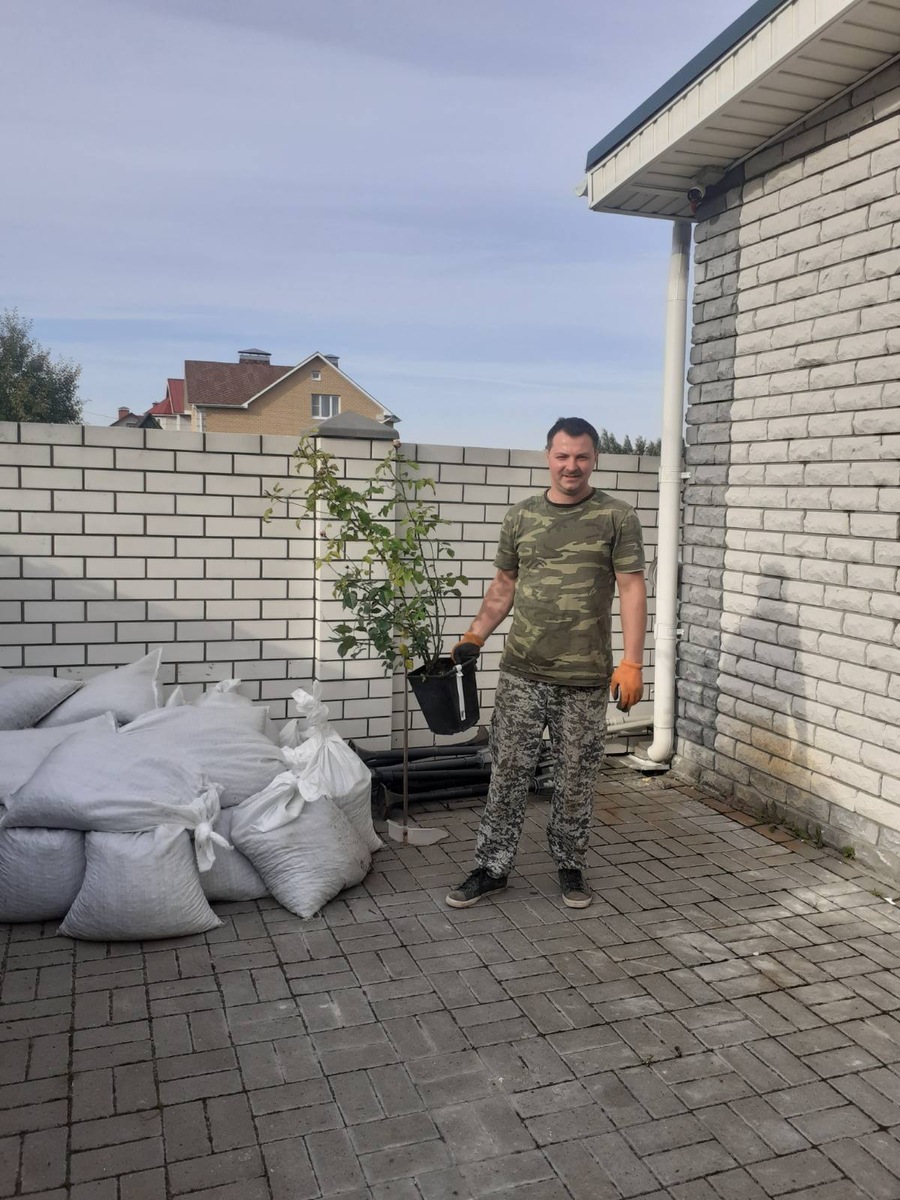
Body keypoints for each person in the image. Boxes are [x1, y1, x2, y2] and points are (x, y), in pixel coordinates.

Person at [445, 416, 647, 910]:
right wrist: (475, 634)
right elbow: (504, 586)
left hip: (584, 677)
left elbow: (631, 588)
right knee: (507, 772)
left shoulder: (617, 517)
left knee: (575, 776)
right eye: (562, 455)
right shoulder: (521, 517)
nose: (571, 466)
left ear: (595, 459)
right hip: (522, 671)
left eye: (581, 456)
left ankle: (570, 864)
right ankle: (491, 868)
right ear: (548, 457)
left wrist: (633, 663)